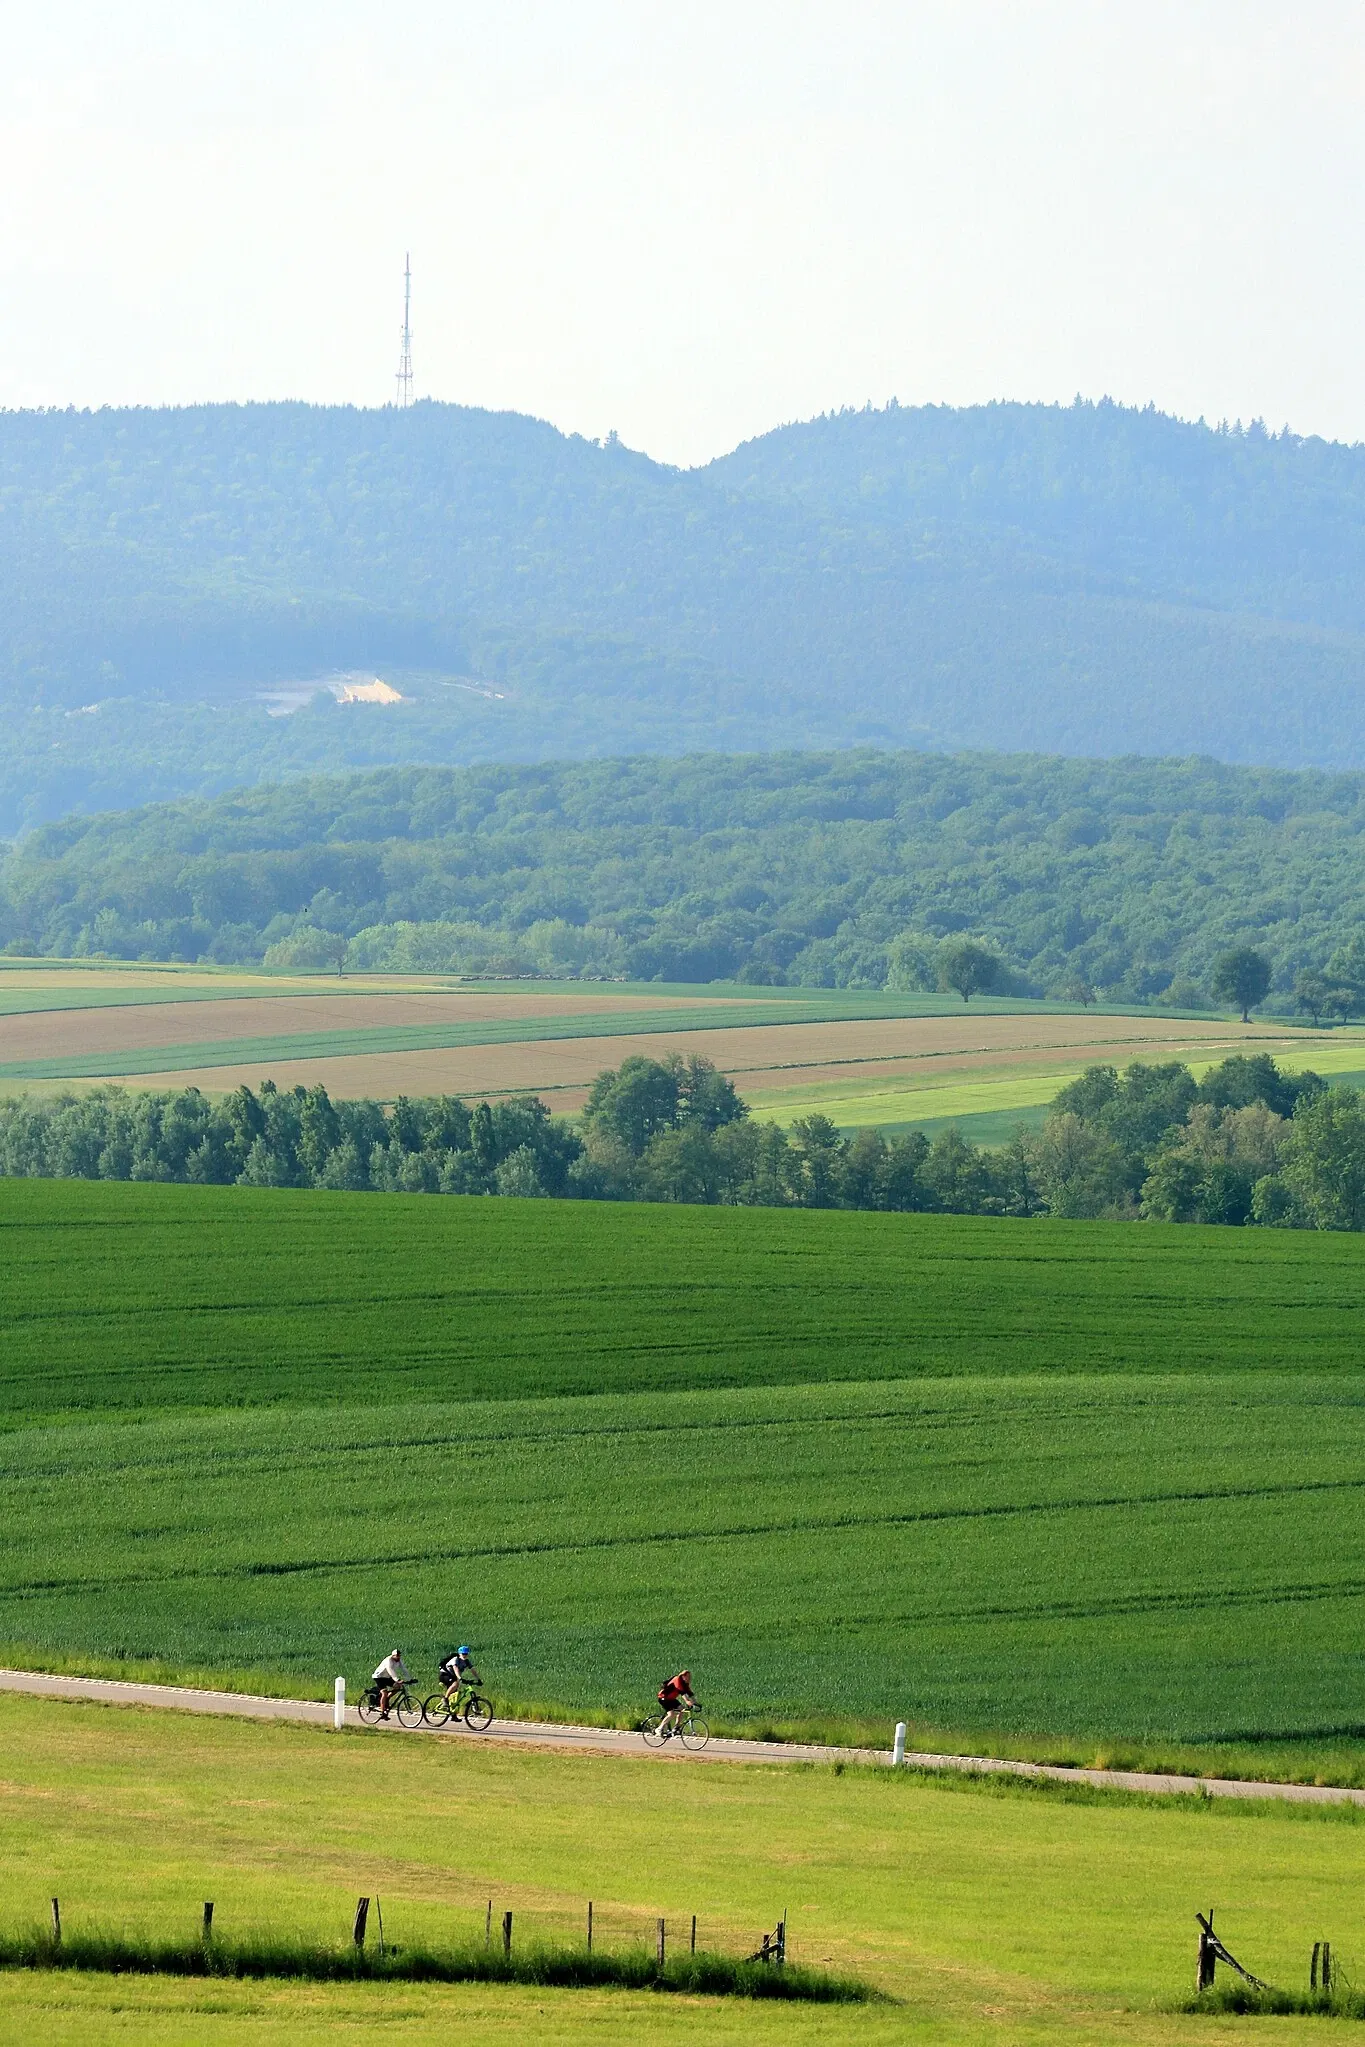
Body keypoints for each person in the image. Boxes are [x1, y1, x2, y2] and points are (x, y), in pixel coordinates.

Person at [655, 1668, 696, 1739]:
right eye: (688, 1677)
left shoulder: (685, 1684)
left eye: (690, 1677)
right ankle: (659, 1729)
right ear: (683, 1676)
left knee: (682, 1709)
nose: (689, 1679)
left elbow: (689, 1693)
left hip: (671, 1699)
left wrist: (696, 1702)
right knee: (671, 1714)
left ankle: (676, 1728)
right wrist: (687, 1701)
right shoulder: (677, 1679)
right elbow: (681, 1691)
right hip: (663, 1698)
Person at [371, 1647, 410, 1720]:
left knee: (398, 1687)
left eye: (399, 1655)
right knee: (384, 1693)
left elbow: (404, 1669)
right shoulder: (388, 1660)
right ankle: (382, 1711)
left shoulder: (399, 1660)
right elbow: (390, 1670)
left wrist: (410, 1679)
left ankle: (387, 1699)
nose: (398, 1657)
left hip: (387, 1677)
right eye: (397, 1656)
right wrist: (397, 1679)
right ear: (393, 1656)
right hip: (379, 1677)